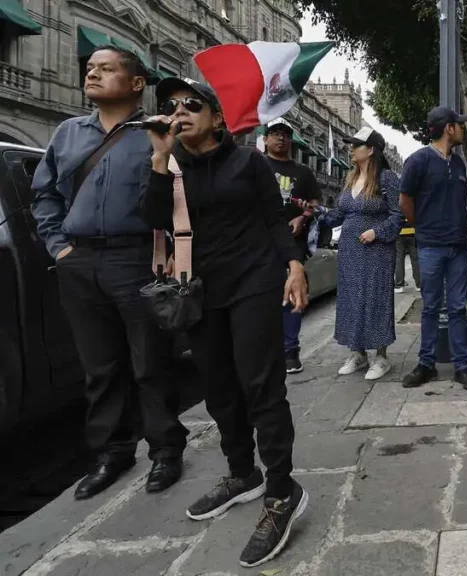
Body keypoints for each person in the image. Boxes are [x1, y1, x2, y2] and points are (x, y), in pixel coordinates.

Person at [142, 77, 309, 568]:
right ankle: (243, 473)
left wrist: (294, 265)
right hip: (199, 289)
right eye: (171, 106)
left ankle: (281, 491)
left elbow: (274, 219)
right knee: (217, 388)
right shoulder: (168, 166)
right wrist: (157, 159)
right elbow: (151, 219)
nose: (179, 111)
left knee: (263, 387)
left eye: (192, 104)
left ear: (217, 118)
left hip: (254, 281)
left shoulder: (248, 161)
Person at [30, 45, 187, 500]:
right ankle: (112, 453)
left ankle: (165, 451)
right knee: (99, 366)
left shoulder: (156, 134)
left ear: (137, 83)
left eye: (106, 68)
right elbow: (45, 196)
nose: (92, 73)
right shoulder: (67, 134)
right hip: (80, 263)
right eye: (90, 67)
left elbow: (175, 205)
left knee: (150, 362)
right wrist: (59, 248)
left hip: (136, 259)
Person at [399, 107, 467, 391]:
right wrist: (423, 226)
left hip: (458, 247)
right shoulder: (418, 161)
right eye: (459, 125)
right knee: (431, 307)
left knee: (458, 307)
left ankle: (462, 366)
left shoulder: (458, 165)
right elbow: (405, 201)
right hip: (431, 247)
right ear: (448, 128)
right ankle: (426, 364)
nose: (462, 129)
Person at [324, 127, 403, 380]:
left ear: (370, 150)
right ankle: (357, 353)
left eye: (355, 145)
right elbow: (340, 213)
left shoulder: (386, 178)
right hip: (349, 250)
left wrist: (376, 232)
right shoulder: (350, 179)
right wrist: (315, 213)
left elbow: (398, 215)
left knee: (376, 299)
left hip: (376, 251)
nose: (350, 149)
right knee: (350, 299)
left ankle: (381, 356)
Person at [263, 118, 322, 375]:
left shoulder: (303, 172)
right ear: (265, 139)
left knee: (292, 294)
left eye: (285, 135)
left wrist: (303, 216)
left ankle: (290, 350)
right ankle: (266, 349)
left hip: (293, 244)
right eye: (275, 134)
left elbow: (316, 204)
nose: (281, 139)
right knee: (262, 295)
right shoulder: (257, 165)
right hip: (260, 242)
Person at [394, 216, 420, 293]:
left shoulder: (396, 203)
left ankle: (399, 285)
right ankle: (419, 284)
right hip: (413, 232)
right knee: (415, 259)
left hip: (399, 231)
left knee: (399, 258)